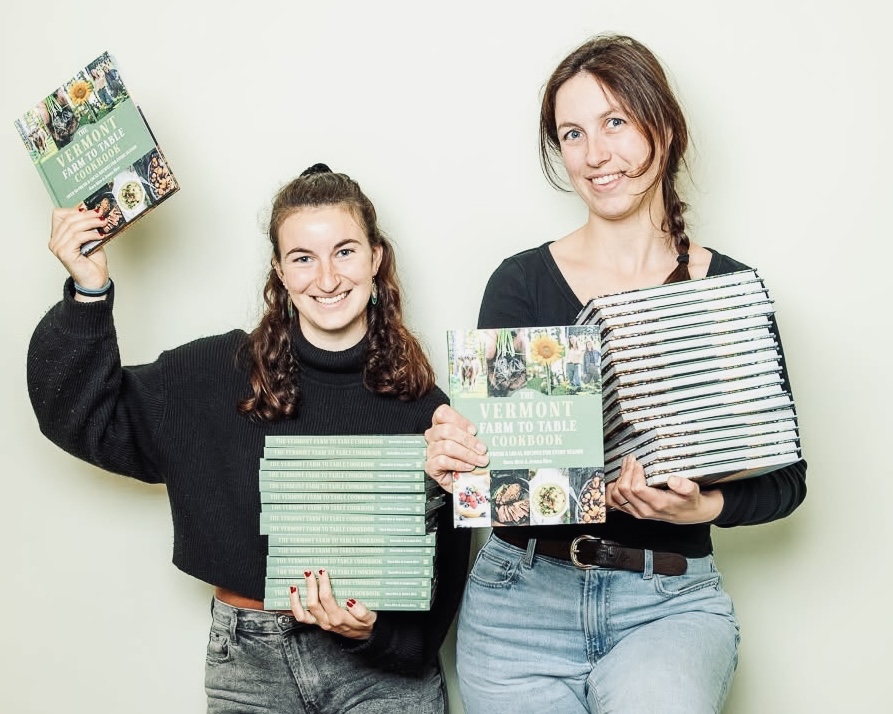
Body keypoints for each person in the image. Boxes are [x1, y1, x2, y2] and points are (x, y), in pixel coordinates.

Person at [424, 34, 807, 714]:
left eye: (614, 123)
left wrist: (704, 506)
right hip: (518, 602)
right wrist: (457, 459)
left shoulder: (728, 291)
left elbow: (785, 482)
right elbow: (497, 472)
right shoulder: (518, 284)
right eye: (572, 133)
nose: (594, 156)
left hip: (666, 603)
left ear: (661, 125)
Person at [28, 164, 471, 713]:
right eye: (303, 258)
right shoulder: (209, 375)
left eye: (345, 251)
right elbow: (79, 413)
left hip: (378, 676)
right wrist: (88, 292)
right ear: (280, 273)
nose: (327, 279)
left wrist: (372, 636)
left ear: (376, 258)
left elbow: (445, 582)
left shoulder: (427, 410)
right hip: (249, 663)